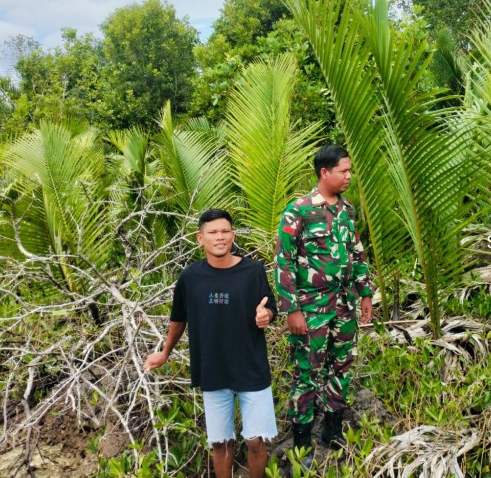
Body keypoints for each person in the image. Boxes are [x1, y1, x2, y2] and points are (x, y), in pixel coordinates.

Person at [145, 209, 278, 478]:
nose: (220, 237)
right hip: (212, 370)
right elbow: (178, 319)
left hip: (252, 368)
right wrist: (165, 352)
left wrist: (266, 316)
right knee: (220, 443)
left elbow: (269, 307)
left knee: (255, 440)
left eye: (225, 231)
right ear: (200, 238)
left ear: (233, 235)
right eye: (213, 232)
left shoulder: (253, 271)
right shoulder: (190, 278)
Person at [275, 144, 374, 460]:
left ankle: (332, 430)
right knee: (306, 373)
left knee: (341, 367)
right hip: (311, 309)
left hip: (344, 307)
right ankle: (302, 438)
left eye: (349, 170)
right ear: (324, 172)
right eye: (343, 171)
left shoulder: (348, 211)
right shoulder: (298, 211)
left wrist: (366, 293)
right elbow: (284, 262)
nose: (348, 176)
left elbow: (357, 253)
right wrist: (292, 309)